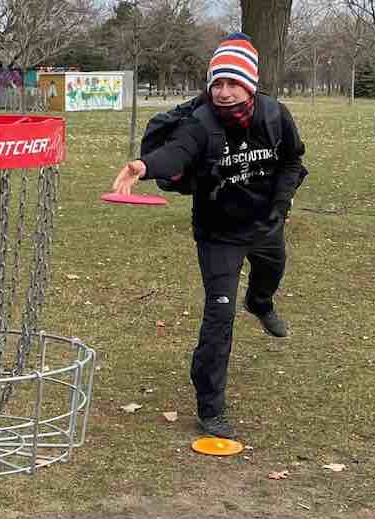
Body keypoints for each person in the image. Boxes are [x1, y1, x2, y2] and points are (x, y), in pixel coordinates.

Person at [111, 32, 307, 441]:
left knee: (271, 274)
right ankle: (211, 406)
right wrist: (143, 166)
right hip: (219, 233)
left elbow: (292, 161)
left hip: (265, 224)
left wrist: (280, 207)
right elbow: (179, 152)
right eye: (217, 83)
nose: (223, 92)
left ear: (249, 84)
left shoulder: (274, 115)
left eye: (232, 83)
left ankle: (260, 301)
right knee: (219, 317)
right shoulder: (201, 123)